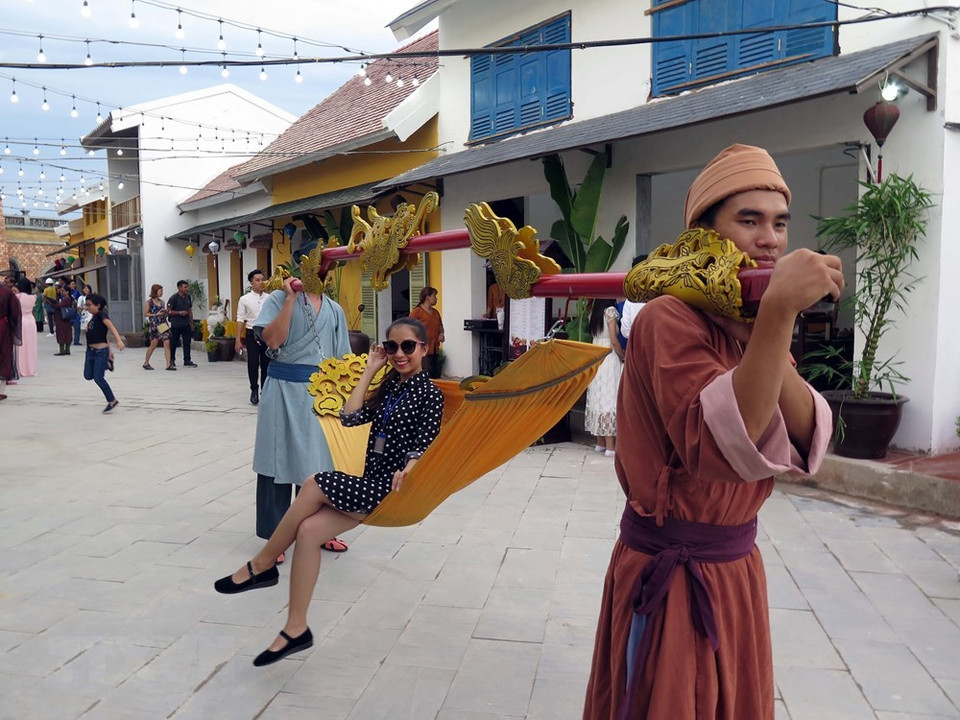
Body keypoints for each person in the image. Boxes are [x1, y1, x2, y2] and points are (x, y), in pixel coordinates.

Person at [582, 144, 843, 720]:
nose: (769, 238)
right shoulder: (666, 319)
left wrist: (765, 326)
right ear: (705, 232)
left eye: (778, 223)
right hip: (672, 573)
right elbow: (722, 449)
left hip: (736, 569)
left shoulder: (747, 320)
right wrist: (776, 316)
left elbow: (803, 433)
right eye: (747, 220)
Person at [214, 317, 444, 666]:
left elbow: (426, 443)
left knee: (315, 482)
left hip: (393, 491)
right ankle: (296, 629)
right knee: (308, 531)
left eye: (408, 346)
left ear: (424, 349)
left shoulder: (430, 394)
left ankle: (262, 565)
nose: (400, 354)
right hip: (370, 483)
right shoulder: (391, 387)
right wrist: (370, 368)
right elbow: (349, 417)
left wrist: (411, 467)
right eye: (393, 346)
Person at [252, 264, 352, 560]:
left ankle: (320, 529)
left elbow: (343, 356)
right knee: (276, 459)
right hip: (282, 387)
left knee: (320, 461)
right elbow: (272, 340)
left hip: (321, 393)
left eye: (325, 268)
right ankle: (276, 536)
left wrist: (345, 396)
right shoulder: (276, 299)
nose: (321, 273)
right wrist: (290, 298)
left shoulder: (334, 309)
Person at [584, 299, 623, 458]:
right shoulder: (611, 311)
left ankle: (600, 442)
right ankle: (610, 446)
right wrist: (623, 355)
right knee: (609, 398)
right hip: (609, 357)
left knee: (598, 398)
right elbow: (614, 340)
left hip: (596, 357)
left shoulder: (593, 313)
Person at [83, 293, 125, 412]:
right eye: (86, 305)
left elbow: (112, 328)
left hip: (100, 352)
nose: (87, 307)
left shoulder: (102, 315)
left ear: (98, 305)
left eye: (89, 305)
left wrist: (119, 341)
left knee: (98, 378)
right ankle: (106, 364)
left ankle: (112, 400)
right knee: (87, 375)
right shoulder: (93, 318)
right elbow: (103, 335)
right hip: (90, 351)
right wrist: (111, 352)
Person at [236, 268, 270, 405]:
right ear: (251, 283)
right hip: (252, 333)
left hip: (267, 333)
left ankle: (265, 391)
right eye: (257, 280)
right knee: (253, 363)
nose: (261, 282)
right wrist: (237, 340)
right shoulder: (244, 299)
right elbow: (240, 319)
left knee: (266, 364)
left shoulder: (269, 298)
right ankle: (254, 390)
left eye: (262, 279)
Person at [409, 286, 444, 378]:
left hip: (435, 348)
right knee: (425, 373)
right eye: (434, 296)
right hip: (422, 348)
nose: (436, 299)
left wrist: (441, 333)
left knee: (435, 373)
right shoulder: (417, 312)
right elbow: (408, 327)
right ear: (428, 298)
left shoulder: (436, 312)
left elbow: (440, 325)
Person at [166, 280, 197, 368]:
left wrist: (191, 323)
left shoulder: (188, 297)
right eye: (185, 287)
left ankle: (187, 360)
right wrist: (179, 312)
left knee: (187, 342)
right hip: (176, 324)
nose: (187, 289)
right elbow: (168, 311)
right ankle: (171, 360)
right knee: (174, 343)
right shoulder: (173, 298)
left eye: (187, 287)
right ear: (179, 288)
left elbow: (190, 311)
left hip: (186, 324)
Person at [0, 280, 22, 401]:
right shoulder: (6, 292)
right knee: (4, 358)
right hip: (3, 328)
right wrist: (12, 328)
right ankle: (1, 391)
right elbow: (15, 313)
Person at [142, 284, 172, 371]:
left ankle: (168, 365)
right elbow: (145, 313)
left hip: (163, 324)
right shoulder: (149, 303)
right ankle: (146, 362)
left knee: (167, 342)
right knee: (153, 344)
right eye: (160, 291)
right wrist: (156, 314)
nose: (162, 292)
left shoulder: (162, 302)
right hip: (154, 325)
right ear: (155, 291)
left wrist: (165, 312)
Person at [13, 278, 38, 378]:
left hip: (21, 321)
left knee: (21, 347)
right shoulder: (33, 297)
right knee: (31, 346)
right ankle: (31, 368)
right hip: (31, 321)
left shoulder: (18, 297)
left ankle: (21, 368)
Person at [53, 284, 75, 356]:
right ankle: (67, 349)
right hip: (66, 319)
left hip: (62, 319)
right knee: (67, 333)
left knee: (61, 333)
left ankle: (62, 350)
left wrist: (52, 303)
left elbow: (59, 306)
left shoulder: (66, 299)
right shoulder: (68, 298)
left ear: (67, 292)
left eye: (63, 291)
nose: (61, 292)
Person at [67, 280, 83, 346]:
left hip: (75, 312)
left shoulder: (76, 292)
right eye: (72, 284)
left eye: (74, 284)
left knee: (77, 327)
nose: (73, 285)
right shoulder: (66, 292)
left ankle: (76, 340)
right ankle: (68, 340)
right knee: (68, 328)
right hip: (68, 312)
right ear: (69, 285)